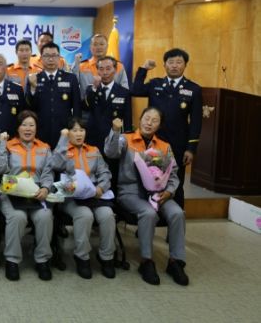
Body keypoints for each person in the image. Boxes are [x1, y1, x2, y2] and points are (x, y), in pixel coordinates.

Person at [105, 107, 189, 286]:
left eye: (154, 120)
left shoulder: (164, 146)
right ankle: (146, 261)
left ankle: (175, 261)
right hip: (131, 192)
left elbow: (173, 174)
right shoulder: (126, 139)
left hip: (159, 193)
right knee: (148, 213)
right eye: (146, 118)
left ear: (160, 125)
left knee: (177, 213)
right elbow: (110, 152)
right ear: (140, 119)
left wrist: (169, 191)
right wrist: (115, 130)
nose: (149, 123)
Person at [131, 48, 202, 209]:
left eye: (179, 62)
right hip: (153, 143)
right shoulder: (155, 84)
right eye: (170, 62)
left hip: (178, 145)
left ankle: (175, 220)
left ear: (185, 65)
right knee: (149, 180)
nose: (174, 65)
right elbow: (135, 90)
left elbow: (196, 122)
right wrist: (144, 69)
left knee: (176, 183)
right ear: (164, 65)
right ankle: (150, 218)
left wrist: (191, 148)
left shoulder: (193, 89)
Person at [50, 118, 116, 279]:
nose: (79, 134)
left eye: (82, 130)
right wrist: (63, 139)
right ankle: (82, 257)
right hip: (71, 197)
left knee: (107, 215)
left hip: (95, 194)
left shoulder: (94, 150)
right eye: (74, 130)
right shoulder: (63, 150)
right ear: (68, 133)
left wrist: (101, 187)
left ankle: (106, 257)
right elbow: (55, 164)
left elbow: (105, 172)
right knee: (85, 215)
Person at [0, 110, 54, 281]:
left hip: (37, 193)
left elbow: (48, 173)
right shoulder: (8, 145)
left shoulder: (44, 148)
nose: (28, 129)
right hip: (12, 192)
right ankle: (12, 260)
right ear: (18, 128)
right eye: (24, 125)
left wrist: (46, 189)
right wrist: (1, 145)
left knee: (45, 216)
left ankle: (42, 259)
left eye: (31, 125)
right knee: (17, 217)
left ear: (36, 128)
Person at [83, 56, 132, 190]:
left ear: (115, 70)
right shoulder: (91, 89)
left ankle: (112, 200)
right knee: (91, 173)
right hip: (93, 140)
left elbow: (128, 120)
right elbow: (86, 106)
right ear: (97, 71)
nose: (104, 72)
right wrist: (94, 87)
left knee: (112, 174)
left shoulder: (123, 92)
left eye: (108, 68)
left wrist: (128, 141)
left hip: (113, 142)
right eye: (101, 69)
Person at [27, 42, 81, 149]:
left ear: (59, 58)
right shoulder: (34, 78)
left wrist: (76, 130)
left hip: (64, 131)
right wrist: (33, 88)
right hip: (40, 132)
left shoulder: (70, 78)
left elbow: (77, 107)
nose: (51, 59)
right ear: (41, 58)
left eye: (54, 56)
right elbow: (29, 107)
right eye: (47, 56)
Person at [75, 34, 129, 99]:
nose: (98, 47)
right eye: (95, 44)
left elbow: (125, 89)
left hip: (112, 104)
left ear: (107, 46)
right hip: (87, 104)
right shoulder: (81, 66)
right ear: (90, 47)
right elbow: (73, 87)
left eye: (101, 44)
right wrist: (75, 66)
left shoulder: (118, 66)